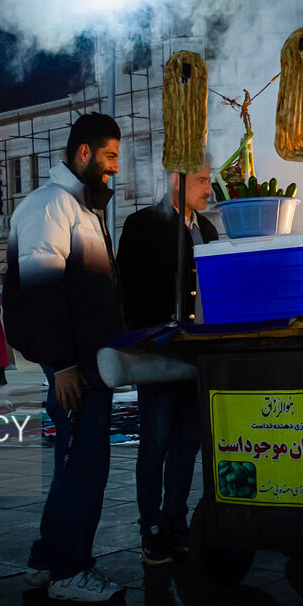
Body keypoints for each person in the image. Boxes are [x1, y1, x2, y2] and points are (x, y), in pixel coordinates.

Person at [5, 112, 127, 603]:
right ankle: (69, 571)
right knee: (84, 468)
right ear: (84, 153)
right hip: (75, 370)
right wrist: (63, 366)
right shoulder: (50, 206)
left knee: (76, 468)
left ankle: (45, 561)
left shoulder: (82, 209)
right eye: (110, 156)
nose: (115, 168)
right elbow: (41, 294)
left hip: (88, 365)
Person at [118, 162, 219, 565]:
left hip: (195, 353)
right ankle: (150, 528)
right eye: (201, 180)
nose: (208, 188)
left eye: (209, 180)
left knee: (188, 442)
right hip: (159, 349)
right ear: (175, 182)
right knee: (156, 441)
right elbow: (129, 286)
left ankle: (175, 524)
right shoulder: (144, 223)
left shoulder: (208, 230)